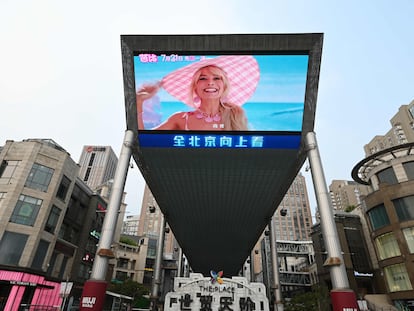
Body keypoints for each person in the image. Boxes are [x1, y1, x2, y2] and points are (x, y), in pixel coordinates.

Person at [136, 55, 260, 131]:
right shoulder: (180, 119)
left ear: (224, 86)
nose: (210, 83)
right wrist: (139, 101)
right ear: (195, 87)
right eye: (203, 78)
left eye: (217, 78)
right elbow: (143, 140)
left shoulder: (236, 114)